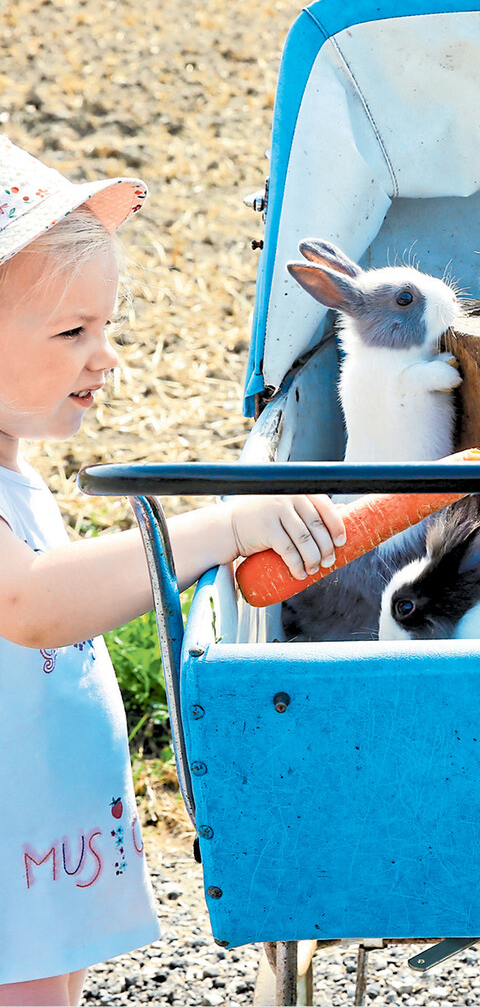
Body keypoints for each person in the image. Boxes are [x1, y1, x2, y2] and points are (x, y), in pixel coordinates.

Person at [0, 136, 347, 1006]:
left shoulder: (15, 469)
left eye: (106, 326)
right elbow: (32, 603)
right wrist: (218, 527)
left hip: (40, 857)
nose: (106, 355)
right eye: (74, 330)